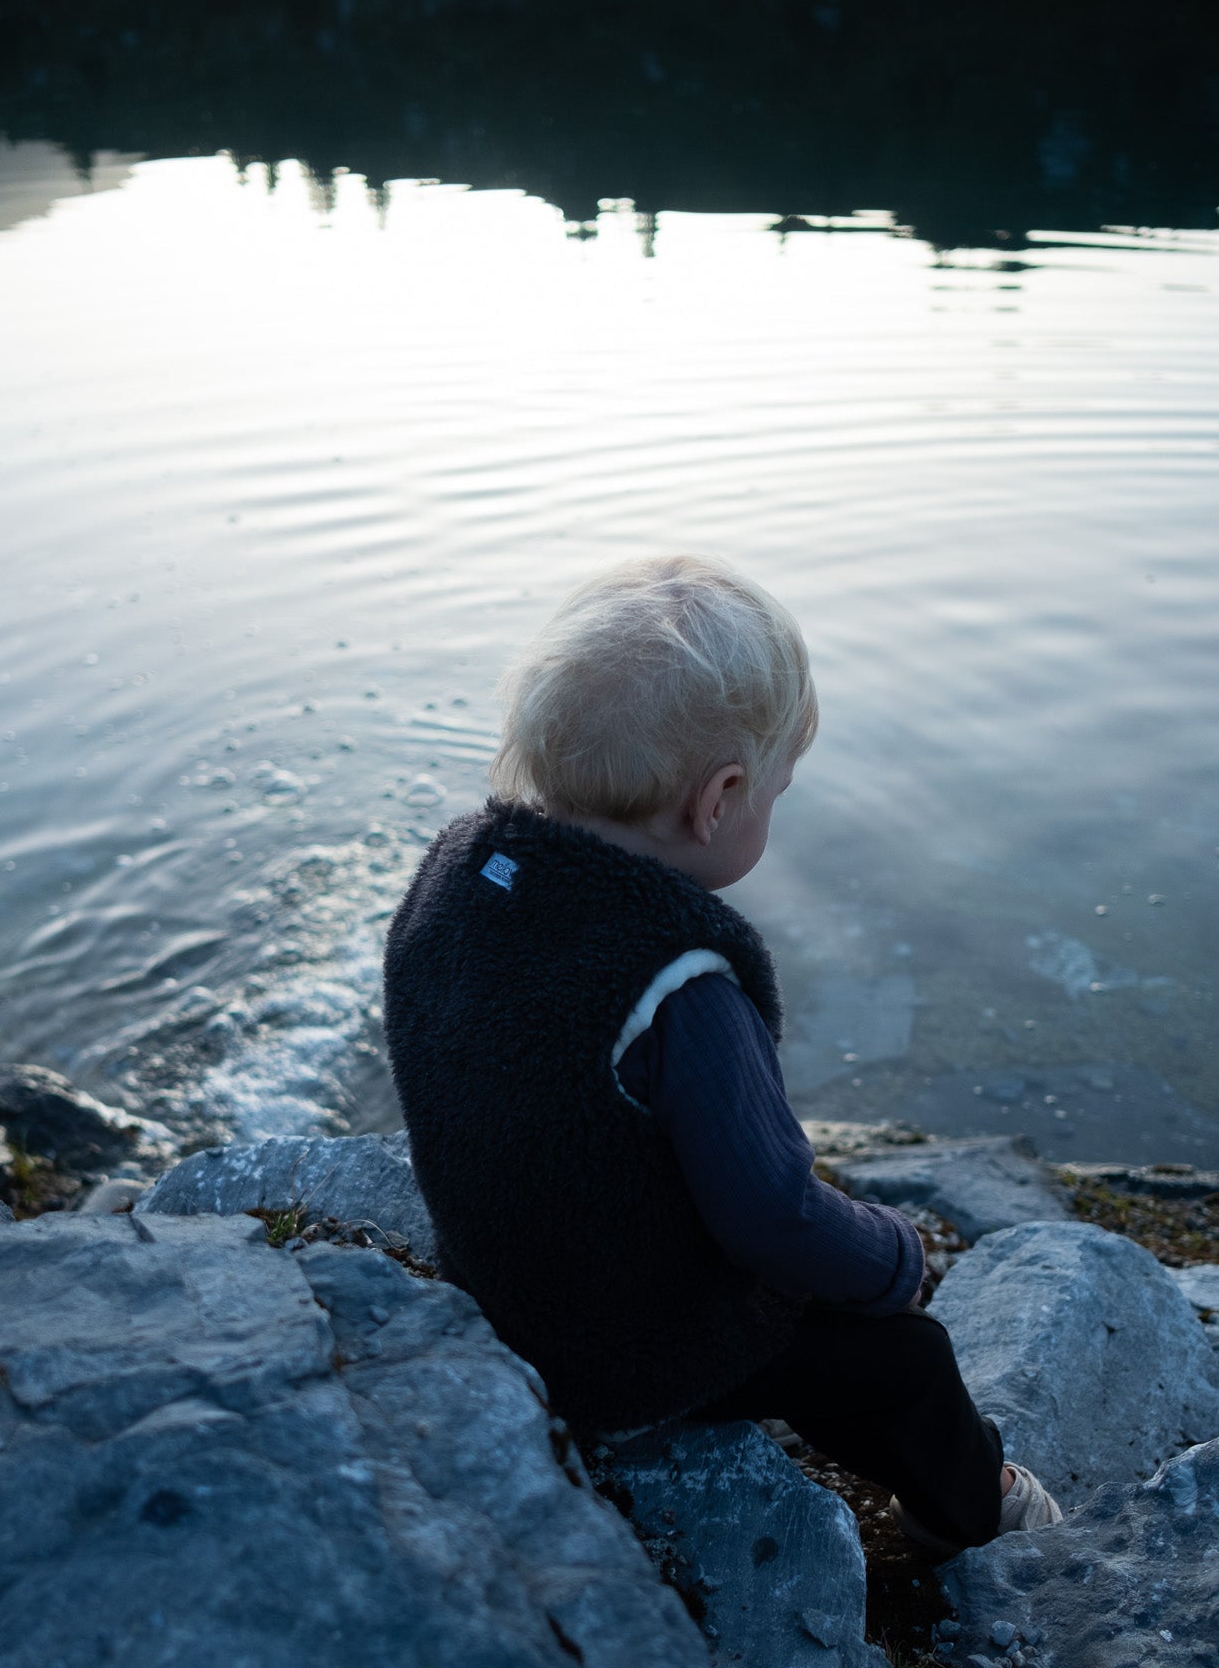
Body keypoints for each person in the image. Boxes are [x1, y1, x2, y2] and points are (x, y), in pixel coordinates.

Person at [382, 554, 1061, 1554]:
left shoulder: (461, 872)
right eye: (773, 795)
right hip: (619, 1347)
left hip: (497, 1273)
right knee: (900, 1361)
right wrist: (891, 1257)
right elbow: (771, 1212)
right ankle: (979, 1515)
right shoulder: (675, 983)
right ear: (720, 797)